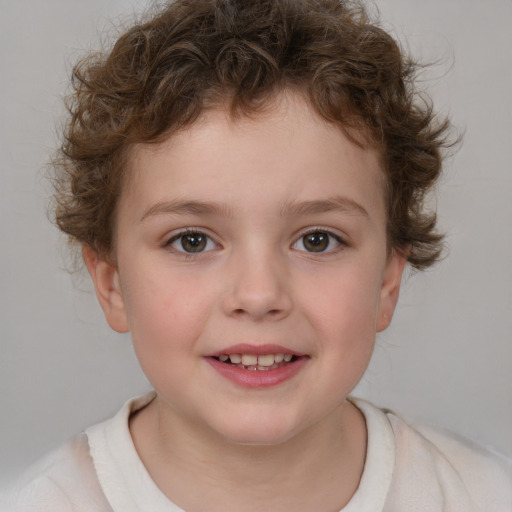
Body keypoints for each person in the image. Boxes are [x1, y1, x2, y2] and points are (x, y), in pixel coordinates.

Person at [3, 0, 511, 510]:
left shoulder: (481, 495)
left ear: (387, 282)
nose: (259, 295)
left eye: (317, 240)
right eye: (192, 240)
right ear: (111, 283)